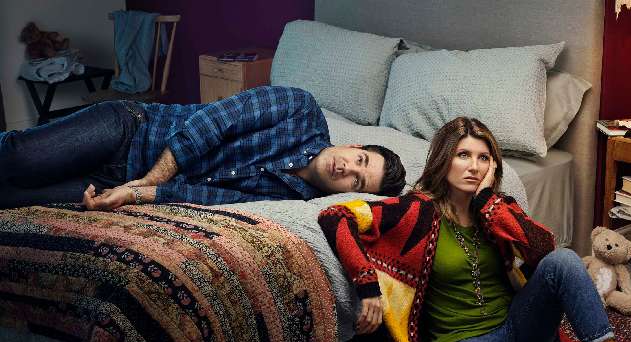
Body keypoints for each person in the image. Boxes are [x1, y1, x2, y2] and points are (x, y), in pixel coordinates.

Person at [318, 117, 631, 342]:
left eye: (483, 158)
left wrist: (486, 202)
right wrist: (367, 286)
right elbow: (336, 216)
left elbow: (543, 250)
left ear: (493, 166)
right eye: (463, 155)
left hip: (517, 324)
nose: (473, 166)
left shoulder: (496, 208)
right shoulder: (416, 210)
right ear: (443, 160)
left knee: (565, 260)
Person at [0, 86, 406, 210]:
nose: (347, 168)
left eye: (357, 180)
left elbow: (210, 197)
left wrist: (134, 193)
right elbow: (213, 121)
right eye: (360, 159)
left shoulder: (294, 201)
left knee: (14, 199)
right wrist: (150, 179)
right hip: (132, 128)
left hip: (120, 180)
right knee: (22, 158)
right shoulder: (301, 109)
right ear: (355, 145)